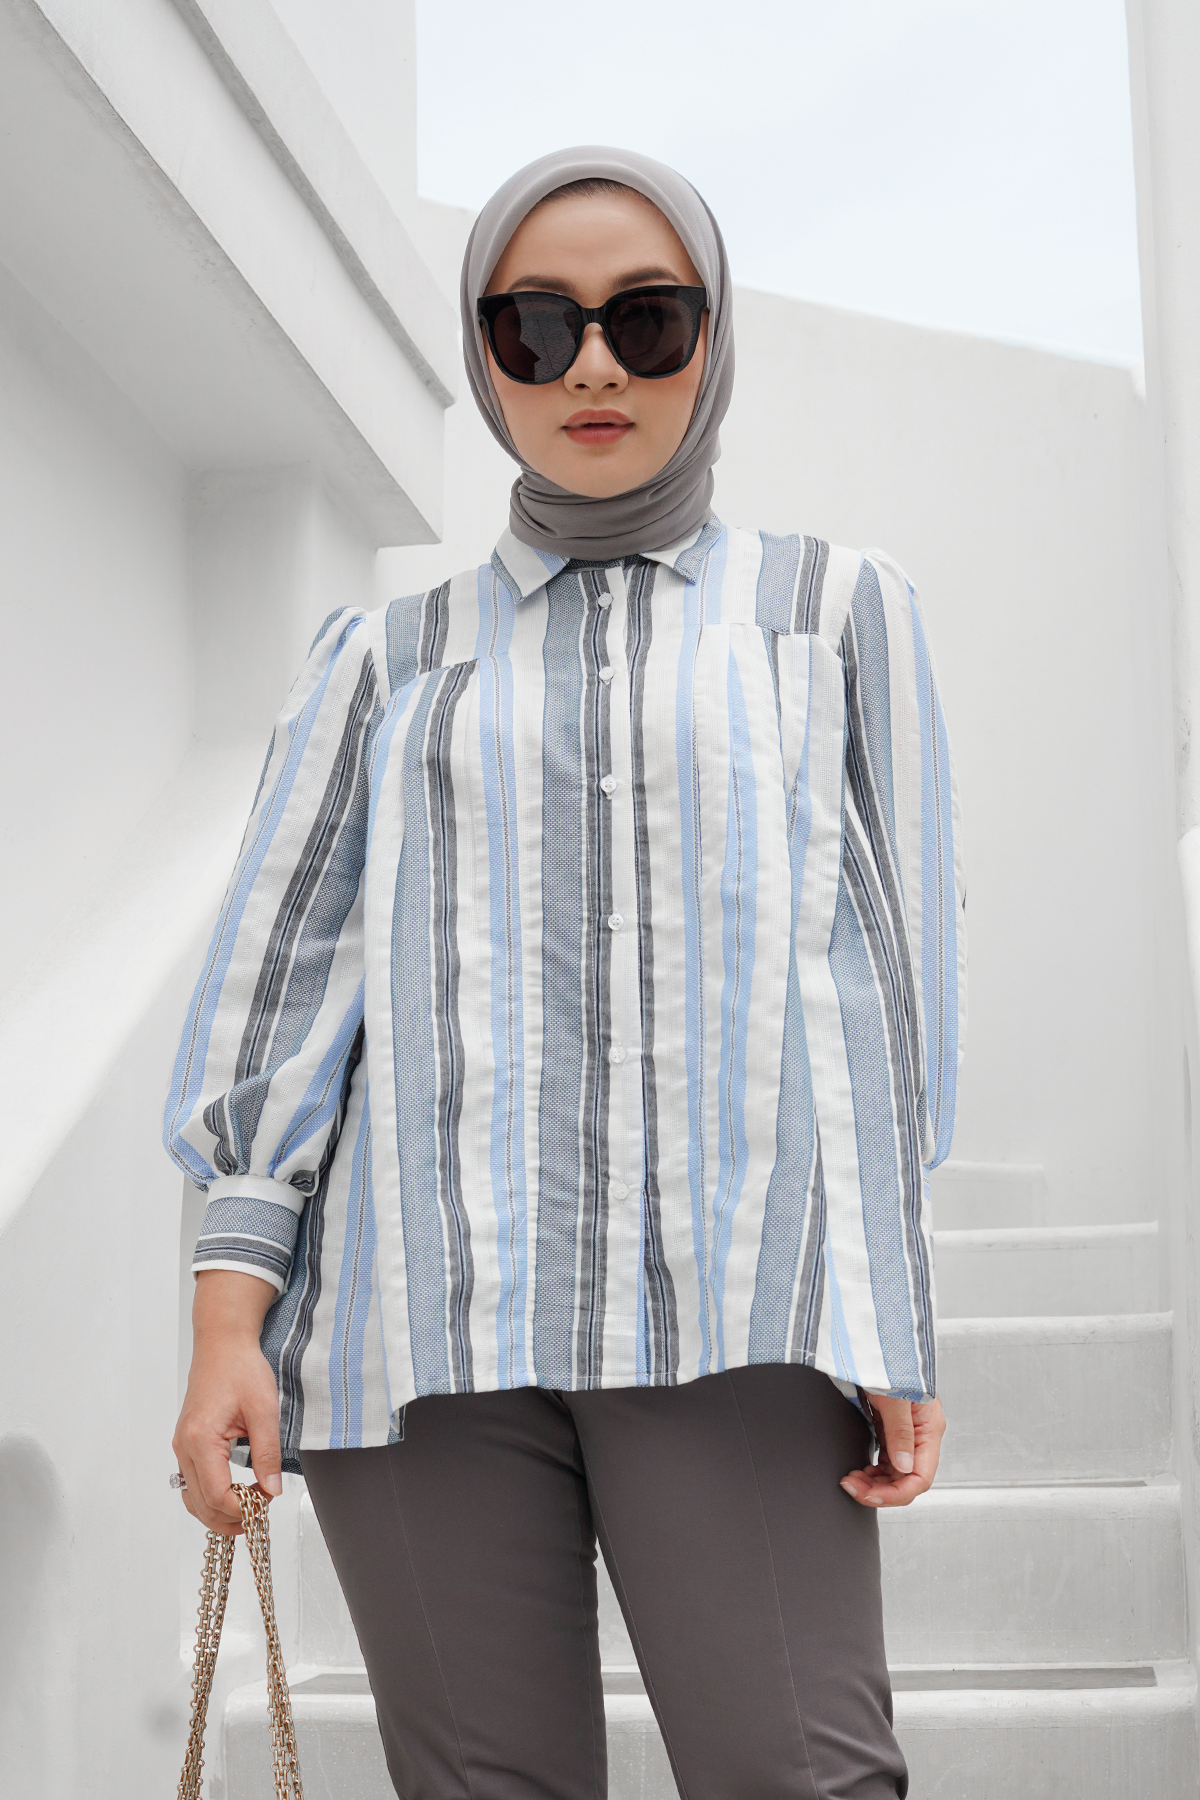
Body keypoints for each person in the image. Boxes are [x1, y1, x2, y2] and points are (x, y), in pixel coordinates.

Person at [166, 146, 966, 1800]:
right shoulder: (384, 658)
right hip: (419, 1337)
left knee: (806, 1776)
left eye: (644, 320)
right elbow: (283, 996)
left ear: (710, 339)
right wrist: (226, 1326)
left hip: (739, 1323)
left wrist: (889, 1314)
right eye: (535, 327)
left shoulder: (832, 614)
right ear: (489, 360)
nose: (592, 365)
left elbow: (892, 1000)